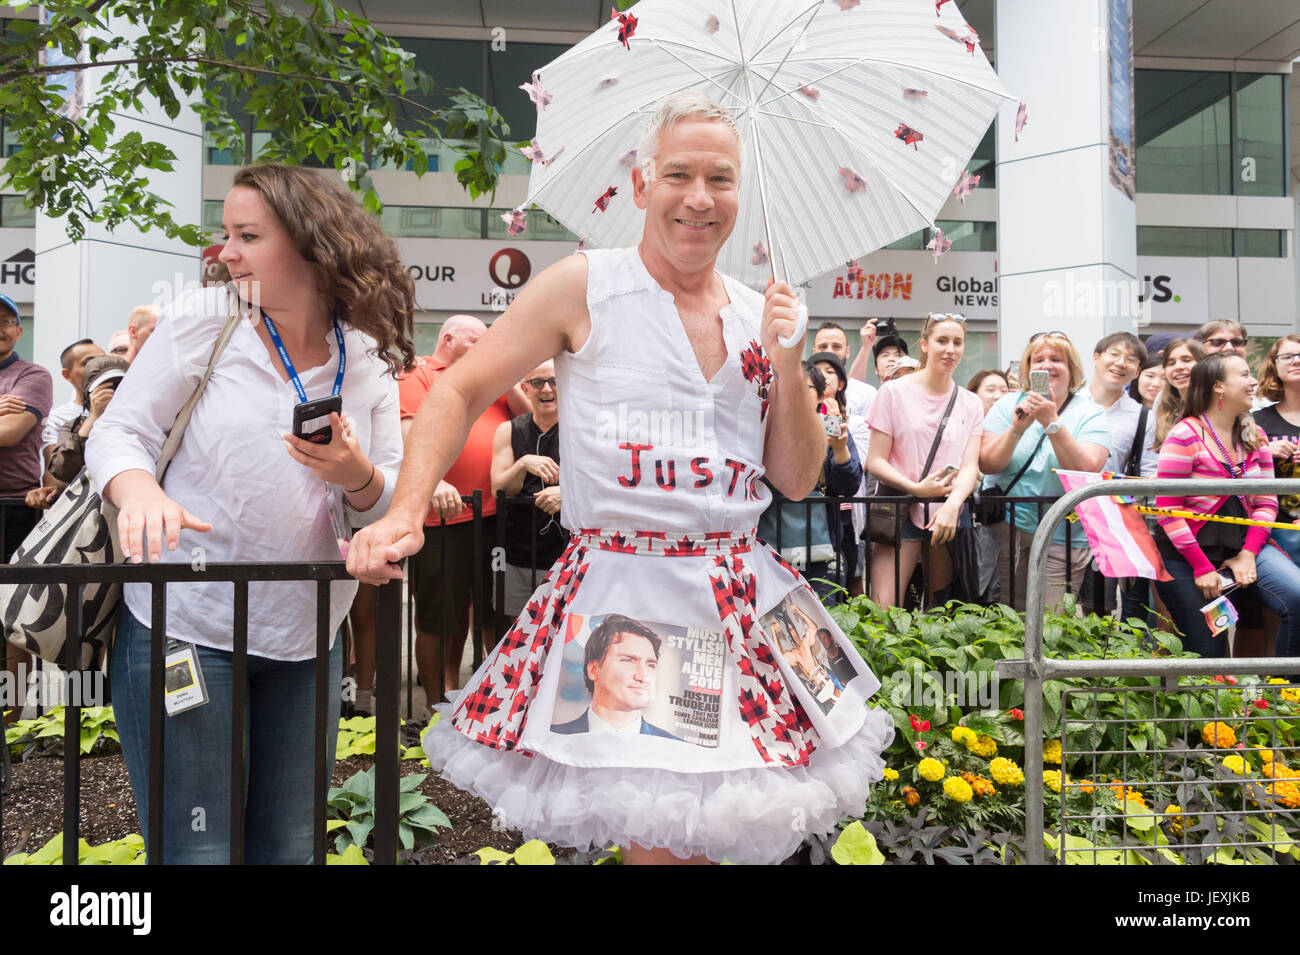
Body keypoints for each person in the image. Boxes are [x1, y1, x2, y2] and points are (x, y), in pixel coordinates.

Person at [347, 91, 891, 866]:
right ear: (641, 185)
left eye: (721, 179)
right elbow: (458, 387)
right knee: (663, 840)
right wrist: (404, 509)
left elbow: (798, 480)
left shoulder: (756, 312)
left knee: (724, 834)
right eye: (678, 174)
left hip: (748, 595)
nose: (699, 198)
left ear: (742, 193)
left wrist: (790, 357)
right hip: (634, 603)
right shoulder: (585, 284)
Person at [85, 163, 408, 864]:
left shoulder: (369, 354)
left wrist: (355, 476)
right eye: (225, 233)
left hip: (307, 637)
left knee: (288, 851)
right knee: (198, 850)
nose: (223, 251)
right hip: (188, 624)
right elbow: (119, 432)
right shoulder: (204, 323)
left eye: (247, 235)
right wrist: (138, 490)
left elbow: (387, 508)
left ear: (314, 244)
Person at [399, 315, 526, 706]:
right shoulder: (419, 375)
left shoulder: (489, 376)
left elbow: (527, 415)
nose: (485, 347)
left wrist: (503, 372)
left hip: (495, 516)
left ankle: (487, 698)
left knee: (493, 613)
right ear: (448, 339)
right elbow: (408, 432)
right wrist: (432, 480)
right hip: (445, 518)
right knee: (441, 616)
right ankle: (439, 704)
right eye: (477, 341)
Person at [1151, 353, 1300, 658]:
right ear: (1218, 386)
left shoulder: (1254, 433)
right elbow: (1168, 512)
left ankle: (1284, 693)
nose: (1253, 382)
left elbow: (1266, 501)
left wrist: (1247, 555)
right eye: (1244, 375)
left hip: (1244, 547)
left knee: (1296, 598)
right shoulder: (1184, 435)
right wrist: (1202, 567)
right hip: (1187, 557)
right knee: (1211, 654)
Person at [979, 331, 1110, 611]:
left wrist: (1052, 422)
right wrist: (1017, 428)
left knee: (1050, 620)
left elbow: (1086, 469)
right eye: (1038, 359)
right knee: (1006, 615)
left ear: (1072, 369)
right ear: (1027, 368)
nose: (1047, 365)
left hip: (1063, 533)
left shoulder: (1091, 413)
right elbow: (988, 463)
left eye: (1057, 359)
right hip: (1008, 530)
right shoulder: (1006, 406)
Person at [865, 313, 984, 608]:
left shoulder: (970, 402)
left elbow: (971, 465)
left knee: (942, 610)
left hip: (946, 513)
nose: (950, 349)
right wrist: (916, 489)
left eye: (957, 342)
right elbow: (875, 460)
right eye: (942, 340)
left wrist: (954, 504)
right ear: (925, 344)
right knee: (882, 611)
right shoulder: (892, 392)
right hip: (900, 508)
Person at [759, 361, 862, 601]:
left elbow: (847, 487)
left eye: (804, 388)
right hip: (769, 549)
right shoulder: (763, 429)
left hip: (823, 551)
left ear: (820, 395)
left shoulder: (830, 429)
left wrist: (839, 449)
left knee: (826, 619)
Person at [491, 360, 568, 618]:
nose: (546, 389)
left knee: (561, 631)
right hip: (517, 553)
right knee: (517, 631)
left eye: (554, 382)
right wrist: (522, 464)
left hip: (567, 556)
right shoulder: (509, 430)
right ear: (525, 389)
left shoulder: (579, 428)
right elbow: (498, 489)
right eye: (537, 382)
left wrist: (567, 495)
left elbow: (601, 483)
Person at [551, 615, 681, 739]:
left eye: (650, 665)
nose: (643, 677)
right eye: (628, 661)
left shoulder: (675, 749)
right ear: (594, 669)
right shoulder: (552, 738)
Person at [1252, 334, 1300, 565]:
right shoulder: (1255, 422)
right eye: (1288, 356)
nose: (1296, 361)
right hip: (1273, 534)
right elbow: (1233, 471)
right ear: (1274, 365)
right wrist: (1262, 452)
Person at [47, 355, 129, 486]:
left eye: (120, 386)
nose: (113, 392)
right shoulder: (75, 426)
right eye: (105, 388)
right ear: (88, 394)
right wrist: (93, 417)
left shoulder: (148, 420)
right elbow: (62, 469)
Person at [813, 322, 875, 417]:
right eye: (823, 346)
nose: (829, 351)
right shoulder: (801, 392)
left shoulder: (867, 394)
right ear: (814, 352)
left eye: (836, 346)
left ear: (847, 352)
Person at [1154, 338, 1206, 449]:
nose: (1178, 367)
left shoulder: (1220, 407)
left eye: (1187, 360)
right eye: (1171, 363)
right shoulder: (1161, 406)